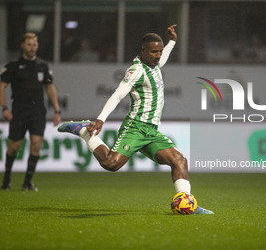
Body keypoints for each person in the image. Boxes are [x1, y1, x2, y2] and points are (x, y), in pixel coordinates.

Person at [58, 24, 213, 214]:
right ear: (143, 51)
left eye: (159, 51)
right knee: (110, 164)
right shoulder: (136, 70)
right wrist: (100, 119)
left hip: (151, 131)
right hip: (135, 128)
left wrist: (172, 41)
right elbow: (117, 95)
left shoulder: (155, 64)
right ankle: (84, 131)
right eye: (154, 52)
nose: (157, 55)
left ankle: (189, 203)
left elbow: (163, 58)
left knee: (179, 161)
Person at [0, 32, 61, 191]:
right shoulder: (12, 66)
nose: (32, 47)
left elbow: (50, 87)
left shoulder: (42, 65)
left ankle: (27, 182)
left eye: (34, 44)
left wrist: (57, 110)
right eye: (29, 44)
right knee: (14, 146)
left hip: (37, 110)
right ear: (23, 45)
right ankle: (6, 180)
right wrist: (4, 107)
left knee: (36, 143)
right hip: (19, 109)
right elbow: (2, 86)